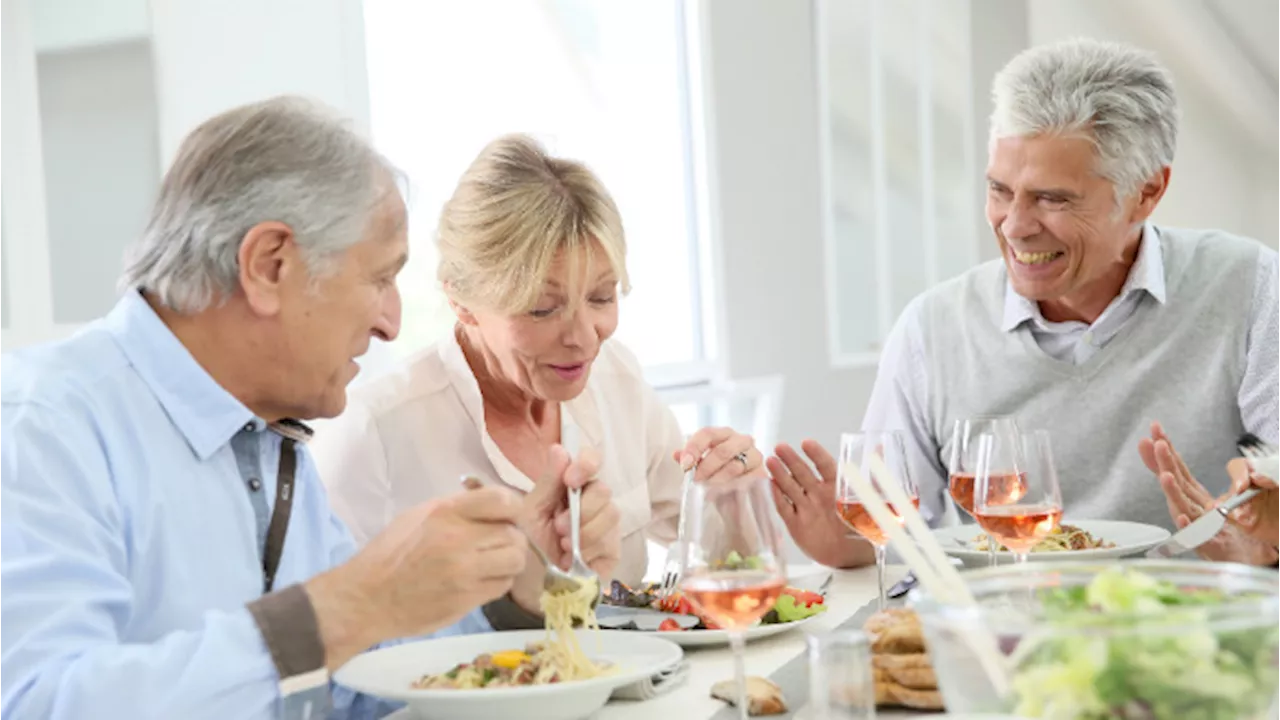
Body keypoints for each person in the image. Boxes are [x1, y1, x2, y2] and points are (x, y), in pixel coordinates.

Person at [0, 97, 621, 720]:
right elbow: (38, 702)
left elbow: (359, 679)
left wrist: (513, 587)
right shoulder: (41, 427)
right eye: (380, 279)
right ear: (270, 265)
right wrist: (347, 604)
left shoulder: (269, 443)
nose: (391, 322)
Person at [771, 37, 1280, 569]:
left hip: (1197, 632)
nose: (1014, 226)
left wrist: (1263, 543)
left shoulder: (1249, 287)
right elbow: (888, 531)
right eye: (999, 190)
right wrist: (842, 539)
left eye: (1052, 198)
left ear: (1147, 193)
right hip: (1005, 639)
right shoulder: (934, 328)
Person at [310, 134, 764, 587]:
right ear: (461, 300)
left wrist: (734, 499)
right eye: (543, 309)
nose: (584, 338)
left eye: (601, 297)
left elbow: (718, 562)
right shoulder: (372, 434)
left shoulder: (616, 379)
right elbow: (341, 635)